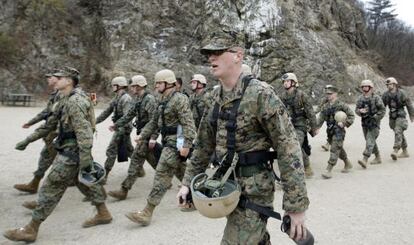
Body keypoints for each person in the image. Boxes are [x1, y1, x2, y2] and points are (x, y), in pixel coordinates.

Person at [176, 32, 309, 244]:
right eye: (209, 54)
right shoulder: (213, 97)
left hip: (255, 189)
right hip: (226, 186)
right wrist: (187, 183)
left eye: (218, 53)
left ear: (238, 55)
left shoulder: (261, 95)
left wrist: (296, 206)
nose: (211, 58)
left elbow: (289, 148)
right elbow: (203, 144)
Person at [4, 67, 112, 243]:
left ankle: (31, 229)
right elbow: (50, 124)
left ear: (69, 80)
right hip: (70, 150)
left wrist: (85, 160)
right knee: (83, 182)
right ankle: (103, 212)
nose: (55, 80)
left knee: (51, 186)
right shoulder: (64, 98)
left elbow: (84, 133)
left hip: (73, 152)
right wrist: (28, 140)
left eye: (59, 77)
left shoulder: (75, 101)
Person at [125, 69, 196, 226]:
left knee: (162, 173)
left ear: (168, 83)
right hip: (168, 141)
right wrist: (143, 135)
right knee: (183, 171)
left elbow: (188, 124)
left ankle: (147, 212)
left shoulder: (180, 99)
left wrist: (186, 144)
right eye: (156, 82)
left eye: (159, 83)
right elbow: (154, 122)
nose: (156, 85)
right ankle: (199, 196)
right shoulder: (162, 100)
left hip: (176, 141)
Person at [107, 75, 159, 200]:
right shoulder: (138, 99)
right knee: (151, 159)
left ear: (140, 85)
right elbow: (129, 115)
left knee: (135, 160)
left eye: (134, 86)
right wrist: (116, 124)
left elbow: (155, 120)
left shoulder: (149, 100)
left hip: (146, 135)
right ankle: (166, 177)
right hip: (142, 134)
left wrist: (153, 137)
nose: (131, 88)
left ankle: (124, 190)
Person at [14, 69, 62, 194]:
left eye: (50, 77)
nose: (48, 79)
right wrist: (31, 122)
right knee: (47, 157)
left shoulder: (64, 94)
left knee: (62, 163)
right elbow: (46, 112)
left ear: (58, 78)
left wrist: (28, 139)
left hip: (59, 134)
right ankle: (34, 184)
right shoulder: (56, 94)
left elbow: (52, 120)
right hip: (54, 133)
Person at [279, 72, 318, 178]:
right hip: (288, 126)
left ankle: (306, 166)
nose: (285, 83)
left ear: (293, 82)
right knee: (288, 147)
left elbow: (310, 111)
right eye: (284, 82)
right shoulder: (282, 96)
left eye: (288, 81)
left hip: (300, 125)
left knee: (296, 145)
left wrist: (314, 127)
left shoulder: (301, 95)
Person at [95, 76, 134, 182]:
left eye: (114, 85)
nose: (112, 87)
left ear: (119, 86)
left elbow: (128, 117)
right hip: (119, 127)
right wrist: (94, 122)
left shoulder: (126, 99)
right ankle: (139, 169)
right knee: (130, 151)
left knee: (111, 150)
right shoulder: (117, 98)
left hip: (123, 129)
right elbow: (106, 112)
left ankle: (105, 176)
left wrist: (118, 126)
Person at [317, 85, 354, 179]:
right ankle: (347, 163)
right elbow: (321, 118)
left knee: (334, 149)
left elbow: (351, 116)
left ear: (335, 94)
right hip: (330, 131)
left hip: (339, 131)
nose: (328, 95)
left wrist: (345, 123)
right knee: (339, 148)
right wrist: (316, 127)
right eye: (327, 94)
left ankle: (328, 169)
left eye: (330, 94)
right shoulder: (325, 106)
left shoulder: (341, 105)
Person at [381, 77, 414, 160]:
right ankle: (405, 151)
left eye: (390, 84)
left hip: (401, 115)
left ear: (395, 84)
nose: (388, 86)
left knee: (398, 130)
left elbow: (409, 104)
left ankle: (395, 150)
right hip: (392, 116)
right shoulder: (385, 95)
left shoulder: (402, 93)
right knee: (398, 133)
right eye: (387, 85)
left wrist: (412, 115)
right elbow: (381, 106)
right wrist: (378, 115)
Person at [355, 80, 385, 167]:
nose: (364, 88)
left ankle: (365, 159)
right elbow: (356, 110)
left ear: (370, 88)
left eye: (366, 86)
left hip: (374, 123)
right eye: (363, 87)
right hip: (364, 123)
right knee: (370, 140)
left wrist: (375, 117)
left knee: (369, 140)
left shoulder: (376, 98)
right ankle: (378, 157)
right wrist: (360, 111)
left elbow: (382, 110)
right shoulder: (360, 98)